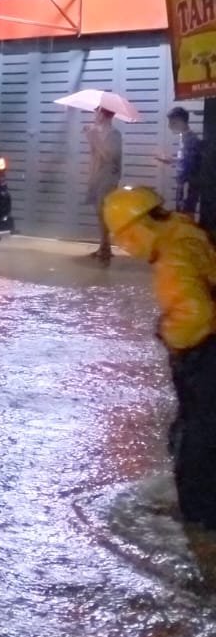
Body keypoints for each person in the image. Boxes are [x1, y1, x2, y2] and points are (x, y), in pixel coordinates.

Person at [103, 187, 216, 530]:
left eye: (124, 238)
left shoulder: (173, 257)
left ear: (139, 227)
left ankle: (200, 527)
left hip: (207, 351)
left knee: (197, 442)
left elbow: (196, 315)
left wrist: (172, 336)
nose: (127, 247)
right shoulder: (186, 231)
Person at [85, 108, 123, 261]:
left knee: (103, 212)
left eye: (97, 112)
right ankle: (104, 246)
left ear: (104, 115)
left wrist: (94, 139)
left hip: (108, 177)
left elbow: (110, 157)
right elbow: (96, 156)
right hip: (97, 175)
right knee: (99, 212)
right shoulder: (97, 133)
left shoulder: (114, 134)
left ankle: (105, 247)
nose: (94, 115)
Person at [155, 107, 203, 217]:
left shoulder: (190, 140)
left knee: (185, 215)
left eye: (173, 122)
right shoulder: (185, 138)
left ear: (182, 121)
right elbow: (186, 160)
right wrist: (172, 160)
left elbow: (191, 165)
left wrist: (173, 161)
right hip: (184, 185)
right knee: (182, 213)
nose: (170, 126)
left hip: (188, 185)